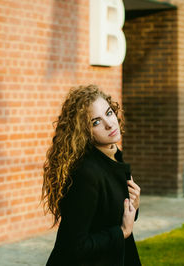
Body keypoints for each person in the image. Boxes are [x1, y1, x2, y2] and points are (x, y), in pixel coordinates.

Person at [42, 85, 142, 266]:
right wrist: (121, 232)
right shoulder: (86, 173)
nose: (109, 124)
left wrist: (133, 206)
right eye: (96, 122)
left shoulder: (114, 155)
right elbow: (73, 246)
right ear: (84, 132)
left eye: (109, 113)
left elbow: (106, 216)